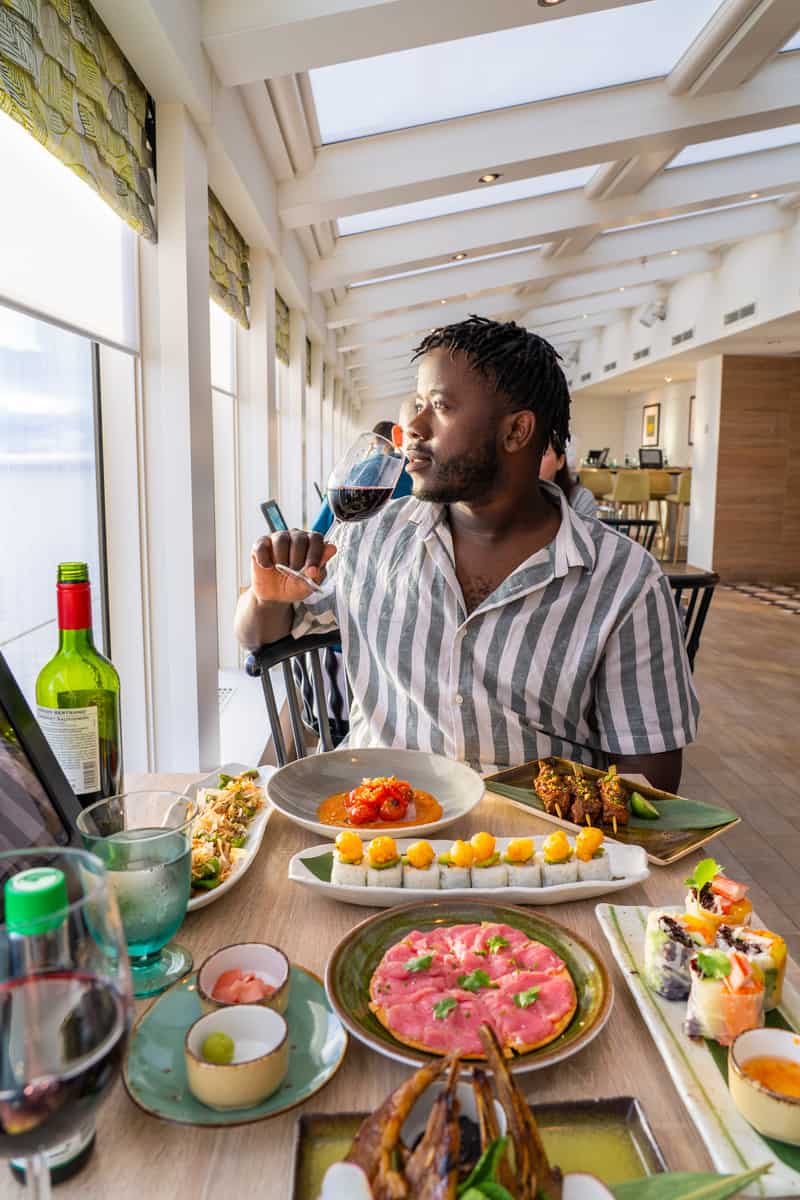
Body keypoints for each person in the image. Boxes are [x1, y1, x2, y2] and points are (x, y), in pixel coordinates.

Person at [235, 316, 697, 792]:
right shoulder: (372, 537)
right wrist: (267, 599)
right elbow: (257, 638)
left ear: (516, 431)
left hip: (530, 846)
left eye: (439, 406)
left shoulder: (623, 581)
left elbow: (650, 776)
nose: (411, 427)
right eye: (418, 404)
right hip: (375, 831)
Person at [311, 420, 414, 536]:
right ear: (397, 439)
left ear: (374, 442)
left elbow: (320, 527)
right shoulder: (414, 470)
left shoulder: (363, 468)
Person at [540, 437, 596, 519]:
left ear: (560, 461)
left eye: (543, 453)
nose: (534, 459)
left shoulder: (580, 499)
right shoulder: (518, 495)